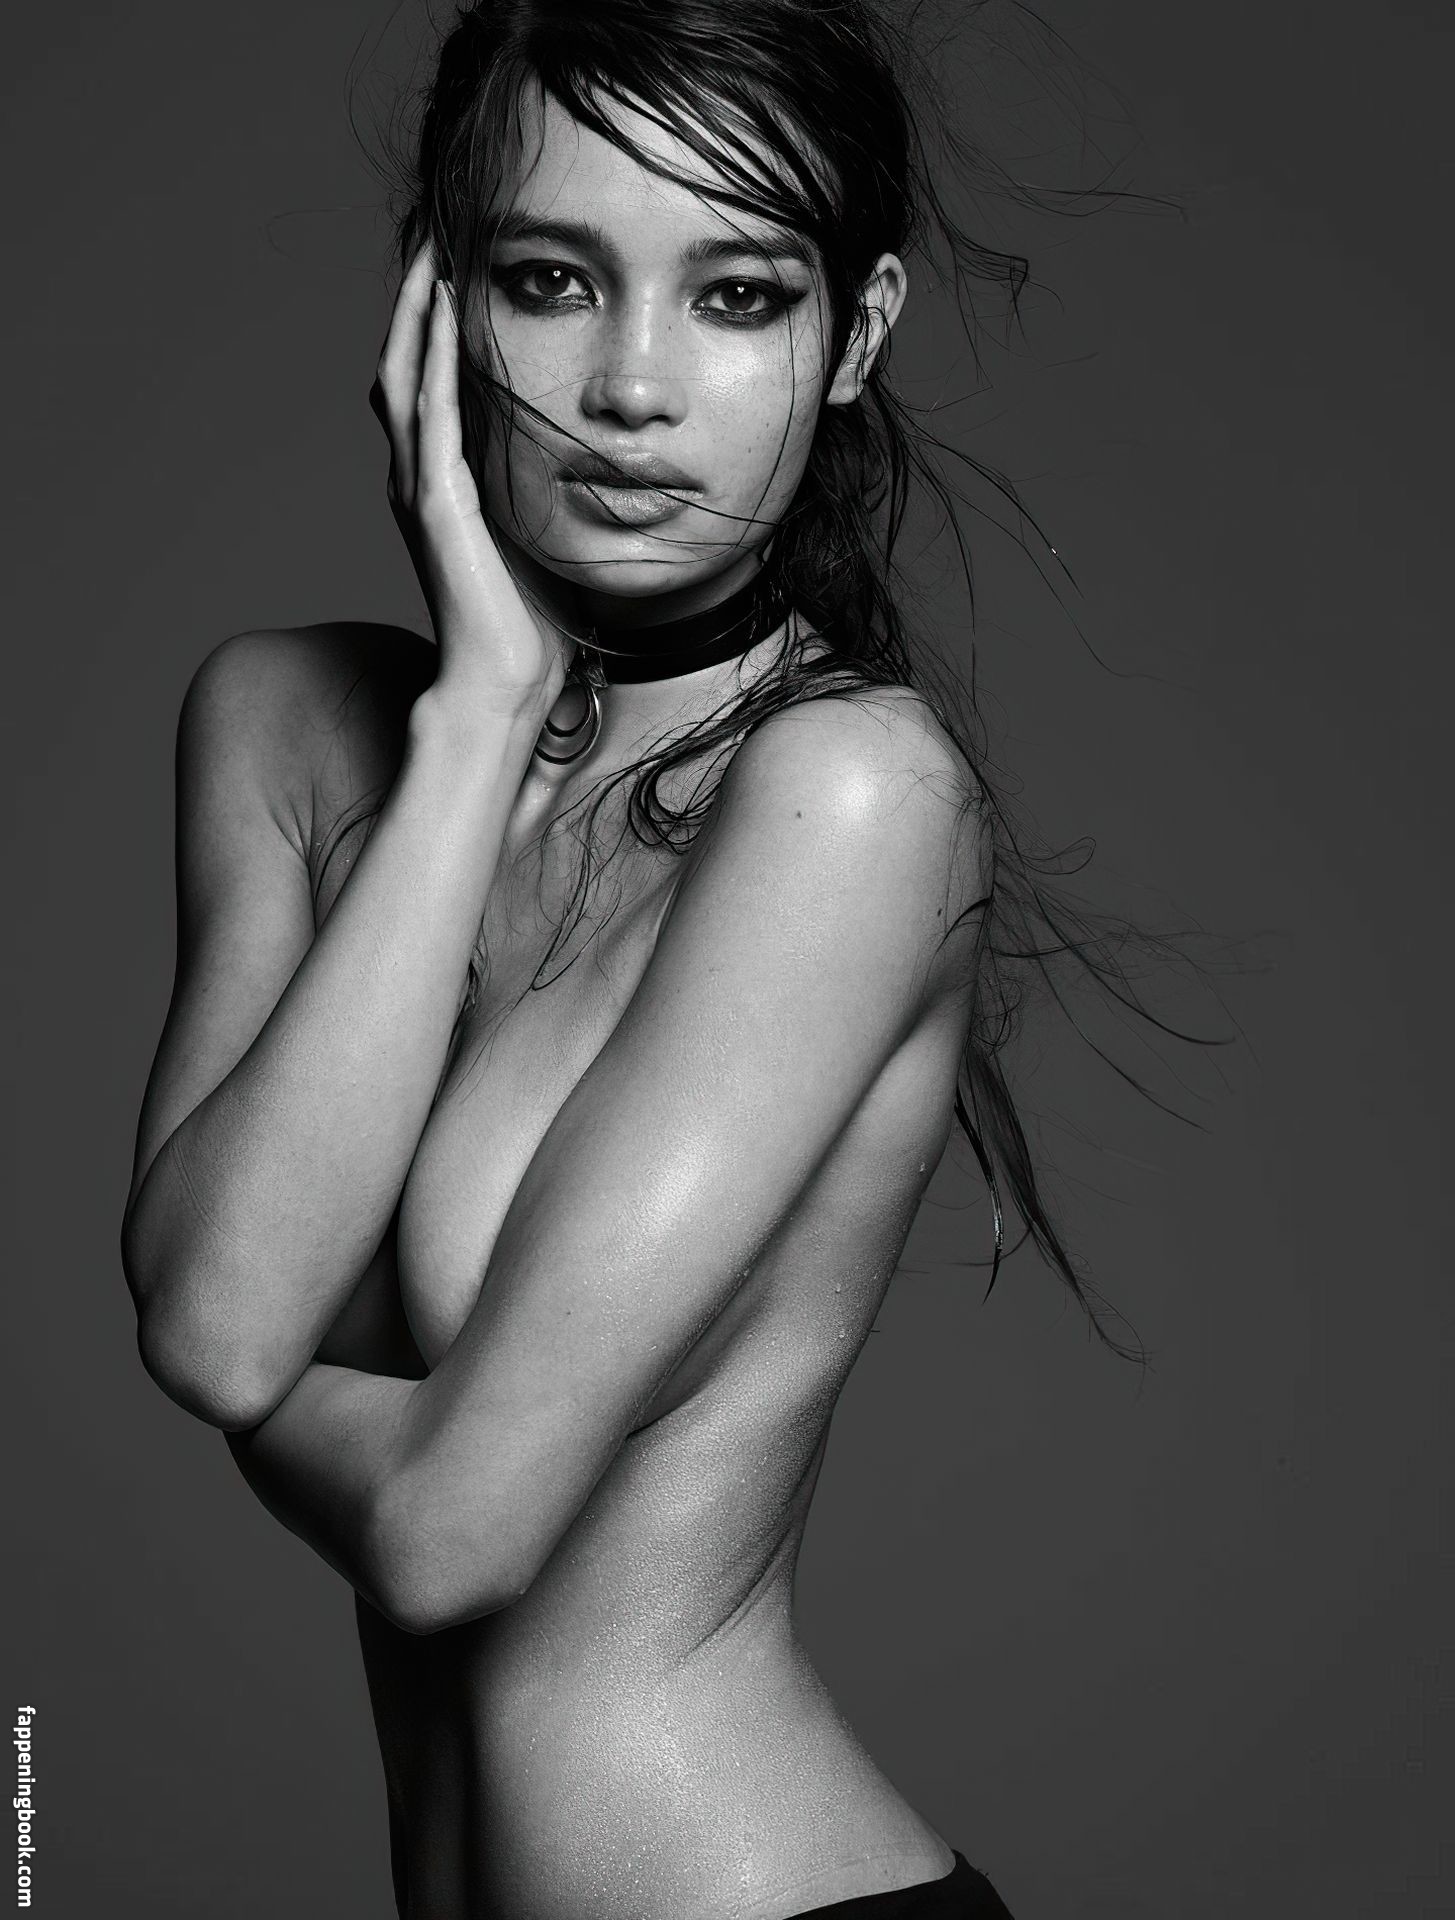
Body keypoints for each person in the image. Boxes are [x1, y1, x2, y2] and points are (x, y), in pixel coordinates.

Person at [119, 2, 1154, 1913]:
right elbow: (211, 1311)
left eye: (738, 296)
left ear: (858, 336)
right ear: (439, 306)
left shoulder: (853, 799)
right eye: (550, 279)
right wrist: (481, 720)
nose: (632, 387)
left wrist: (258, 1396)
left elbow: (446, 1527)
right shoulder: (285, 726)